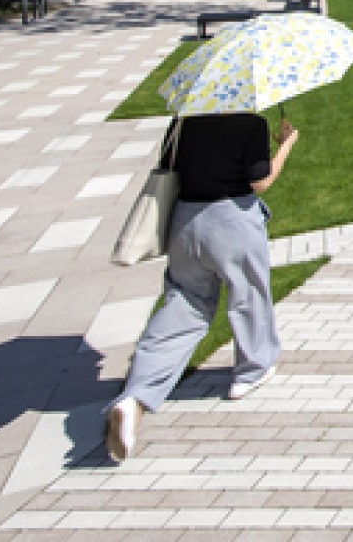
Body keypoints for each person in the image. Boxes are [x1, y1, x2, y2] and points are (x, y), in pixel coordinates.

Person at [104, 113, 300, 462]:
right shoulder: (249, 124)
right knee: (249, 295)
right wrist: (286, 144)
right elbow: (260, 181)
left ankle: (135, 397)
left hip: (185, 224)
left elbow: (170, 168)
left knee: (183, 305)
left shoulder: (183, 123)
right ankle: (251, 371)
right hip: (233, 222)